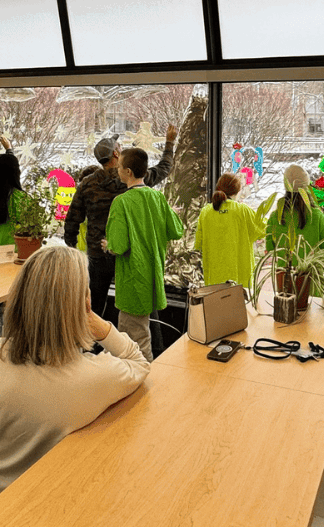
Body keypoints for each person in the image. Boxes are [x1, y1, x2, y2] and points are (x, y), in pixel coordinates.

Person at [0, 244, 149, 521]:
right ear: (85, 304)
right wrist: (103, 328)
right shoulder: (97, 376)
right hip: (50, 516)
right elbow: (139, 362)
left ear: (19, 297)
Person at [64, 125, 177, 318]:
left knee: (94, 306)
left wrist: (72, 248)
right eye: (120, 147)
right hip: (129, 253)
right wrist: (169, 143)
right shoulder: (130, 178)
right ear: (116, 154)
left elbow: (72, 220)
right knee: (143, 301)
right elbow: (164, 168)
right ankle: (151, 337)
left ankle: (91, 337)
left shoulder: (87, 184)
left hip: (98, 254)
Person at [102, 147, 183, 362]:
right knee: (141, 332)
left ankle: (144, 379)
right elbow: (176, 230)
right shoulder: (157, 197)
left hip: (132, 280)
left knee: (134, 340)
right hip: (153, 277)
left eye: (119, 167)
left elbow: (119, 247)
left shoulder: (121, 202)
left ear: (128, 171)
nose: (117, 171)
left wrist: (108, 245)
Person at [194, 173, 265, 287]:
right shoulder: (243, 210)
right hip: (240, 279)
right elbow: (263, 229)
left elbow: (198, 244)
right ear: (237, 191)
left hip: (214, 278)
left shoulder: (205, 212)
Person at [265, 165, 324, 272]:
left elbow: (269, 247)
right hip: (311, 276)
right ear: (307, 186)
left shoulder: (276, 216)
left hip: (284, 275)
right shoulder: (317, 215)